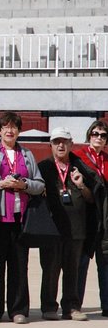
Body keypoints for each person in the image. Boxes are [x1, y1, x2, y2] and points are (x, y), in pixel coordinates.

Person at [0, 111, 45, 324]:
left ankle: (18, 309)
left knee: (19, 265)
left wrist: (24, 185)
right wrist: (0, 184)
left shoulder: (27, 154)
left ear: (19, 131)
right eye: (5, 127)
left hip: (20, 219)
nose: (10, 131)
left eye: (14, 127)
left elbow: (40, 184)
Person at [38, 127, 100, 321]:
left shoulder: (80, 165)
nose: (61, 145)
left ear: (71, 144)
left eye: (64, 142)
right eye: (56, 142)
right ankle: (49, 307)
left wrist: (81, 185)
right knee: (50, 269)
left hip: (76, 227)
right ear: (51, 145)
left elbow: (92, 199)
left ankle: (72, 307)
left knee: (73, 270)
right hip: (52, 228)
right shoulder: (44, 167)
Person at [74, 120, 108, 316]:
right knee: (81, 262)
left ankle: (107, 305)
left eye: (103, 135)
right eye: (95, 134)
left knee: (105, 262)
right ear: (89, 136)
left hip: (105, 219)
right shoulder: (78, 157)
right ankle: (75, 304)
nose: (99, 138)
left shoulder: (107, 159)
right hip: (86, 218)